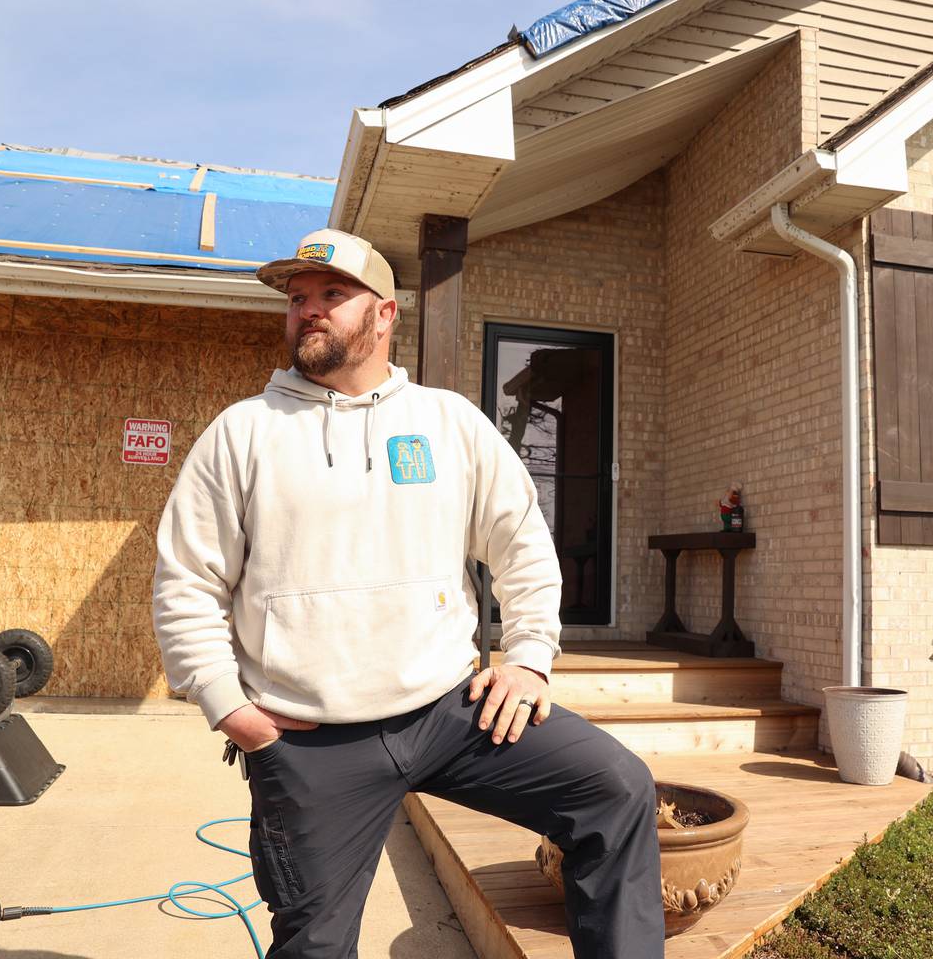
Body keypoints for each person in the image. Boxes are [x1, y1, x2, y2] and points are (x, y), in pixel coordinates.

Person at [151, 228, 663, 958]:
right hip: (311, 739)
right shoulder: (243, 434)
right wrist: (229, 708)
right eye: (298, 299)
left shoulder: (448, 423)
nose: (309, 311)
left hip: (450, 713)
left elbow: (522, 547)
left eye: (333, 294)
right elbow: (186, 580)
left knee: (614, 789)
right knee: (314, 945)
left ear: (385, 315)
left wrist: (528, 658)